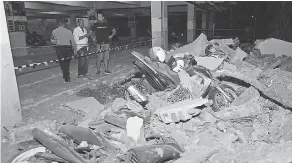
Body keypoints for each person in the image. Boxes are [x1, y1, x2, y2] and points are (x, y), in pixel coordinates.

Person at [91, 10, 117, 75]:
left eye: (100, 17)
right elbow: (91, 32)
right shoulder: (95, 25)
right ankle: (98, 71)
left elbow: (114, 31)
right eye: (98, 17)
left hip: (106, 44)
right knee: (99, 58)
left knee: (106, 57)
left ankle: (106, 70)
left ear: (103, 17)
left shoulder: (107, 24)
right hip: (99, 44)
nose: (99, 18)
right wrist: (93, 38)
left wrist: (111, 36)